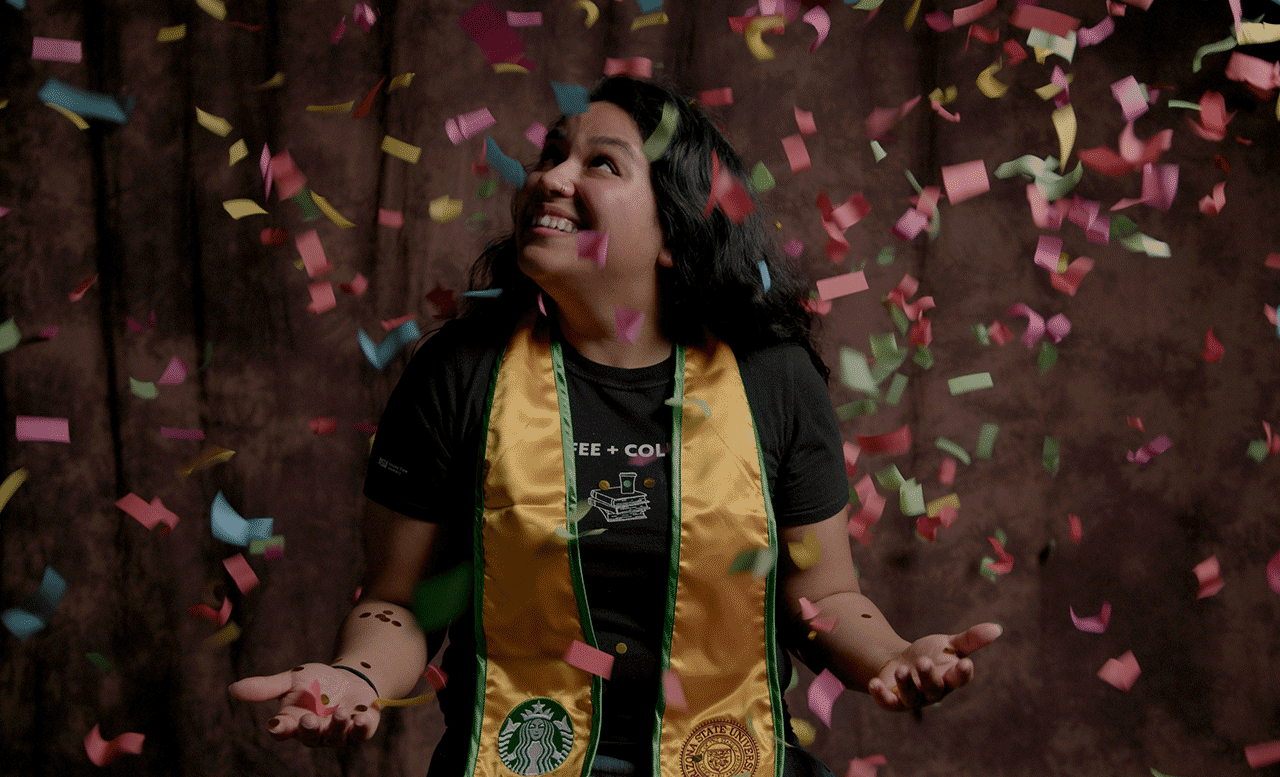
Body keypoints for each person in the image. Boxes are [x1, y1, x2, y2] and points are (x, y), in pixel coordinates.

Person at [230, 75, 1001, 777]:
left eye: (600, 164)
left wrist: (893, 657)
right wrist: (353, 676)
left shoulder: (774, 376)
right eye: (551, 156)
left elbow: (824, 592)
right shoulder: (458, 374)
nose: (549, 179)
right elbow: (400, 601)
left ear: (675, 230)